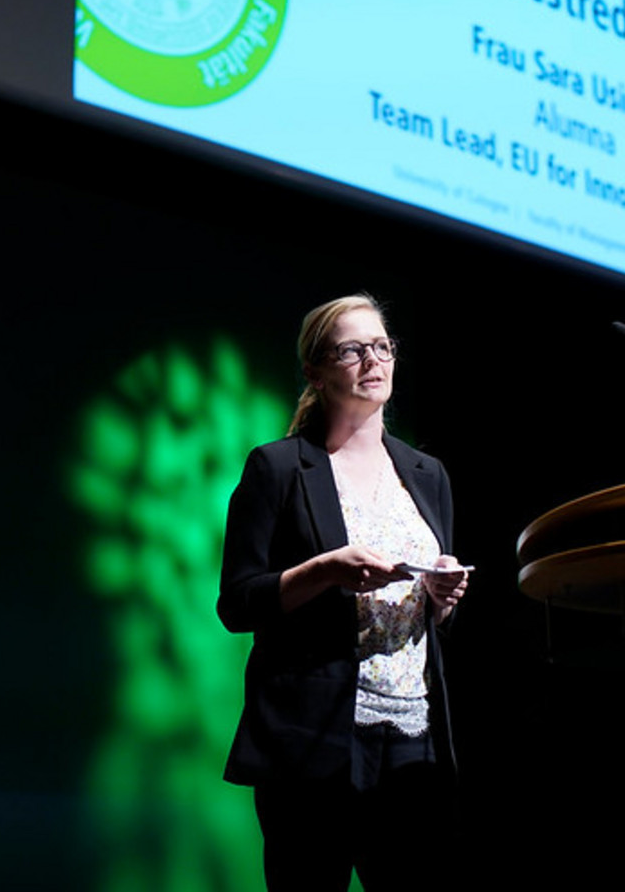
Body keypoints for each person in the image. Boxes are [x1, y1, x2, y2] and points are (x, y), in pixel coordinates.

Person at [217, 293, 469, 890]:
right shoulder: (278, 468)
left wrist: (442, 598)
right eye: (351, 350)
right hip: (315, 740)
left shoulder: (428, 475)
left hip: (414, 739)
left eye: (381, 346)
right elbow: (237, 603)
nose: (372, 360)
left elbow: (430, 622)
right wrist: (324, 570)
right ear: (315, 370)